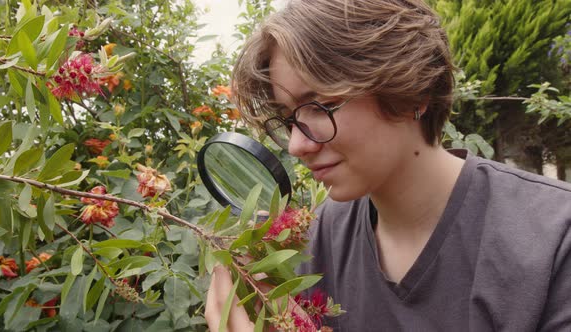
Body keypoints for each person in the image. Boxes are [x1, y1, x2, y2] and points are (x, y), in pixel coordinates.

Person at [205, 0, 571, 330]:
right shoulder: (318, 238)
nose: (298, 145)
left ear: (412, 91)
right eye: (288, 119)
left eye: (318, 105)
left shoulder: (554, 239)